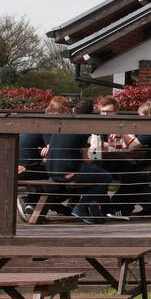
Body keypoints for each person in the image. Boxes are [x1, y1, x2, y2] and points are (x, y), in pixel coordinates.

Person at [42, 96, 111, 224]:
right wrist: (94, 157)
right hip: (68, 174)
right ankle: (82, 207)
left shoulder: (62, 125)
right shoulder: (82, 128)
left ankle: (92, 205)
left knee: (94, 174)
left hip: (51, 172)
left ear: (74, 110)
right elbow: (87, 160)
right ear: (91, 114)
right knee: (105, 176)